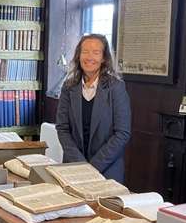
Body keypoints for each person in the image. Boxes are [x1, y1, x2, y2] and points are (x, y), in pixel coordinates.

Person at [56, 34, 131, 183]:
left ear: (104, 58)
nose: (89, 57)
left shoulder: (116, 87)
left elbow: (122, 133)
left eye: (96, 52)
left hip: (107, 171)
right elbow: (62, 128)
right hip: (73, 169)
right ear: (78, 56)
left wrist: (93, 167)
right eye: (85, 52)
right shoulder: (68, 86)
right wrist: (81, 166)